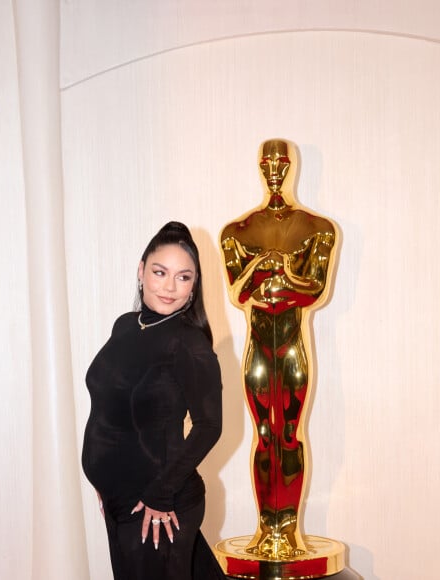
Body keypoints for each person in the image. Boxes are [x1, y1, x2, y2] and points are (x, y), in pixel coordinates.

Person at [82, 222, 226, 579]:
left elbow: (209, 426)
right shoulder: (126, 326)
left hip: (158, 504)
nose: (170, 286)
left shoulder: (189, 345)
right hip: (120, 499)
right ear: (141, 271)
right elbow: (109, 410)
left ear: (194, 286)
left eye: (184, 277)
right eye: (160, 272)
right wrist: (106, 478)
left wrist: (160, 493)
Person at [219, 139, 336, 559]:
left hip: (291, 344)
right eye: (267, 160)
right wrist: (262, 269)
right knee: (263, 434)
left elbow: (314, 290)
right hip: (258, 348)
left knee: (289, 432)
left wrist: (280, 272)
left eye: (281, 161)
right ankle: (266, 531)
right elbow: (238, 292)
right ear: (258, 165)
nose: (274, 167)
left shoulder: (317, 228)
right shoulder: (237, 231)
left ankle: (288, 531)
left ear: (293, 166)